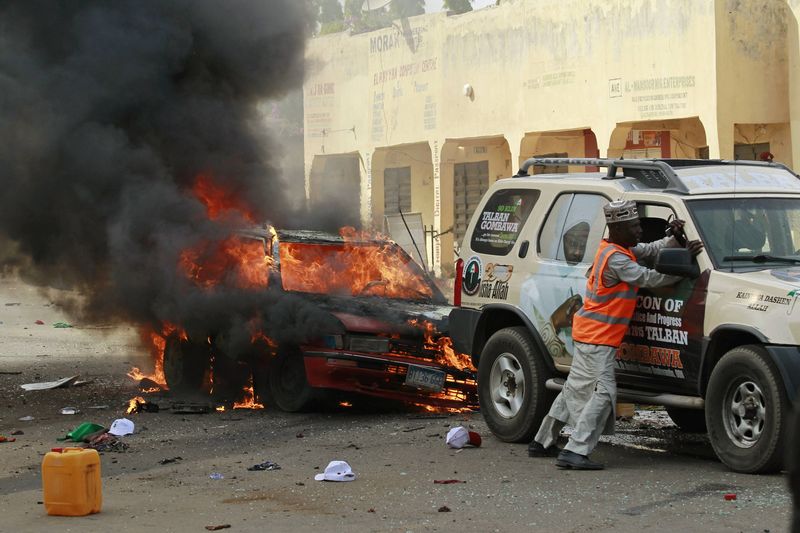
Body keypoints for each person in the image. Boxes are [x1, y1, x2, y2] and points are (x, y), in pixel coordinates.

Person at [527, 200, 704, 469]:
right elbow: (648, 278)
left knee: (574, 391)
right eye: (634, 227)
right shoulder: (617, 258)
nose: (639, 231)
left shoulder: (618, 248)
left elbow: (652, 249)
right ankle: (576, 450)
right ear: (617, 228)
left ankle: (542, 442)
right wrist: (687, 266)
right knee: (604, 394)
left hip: (590, 334)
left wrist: (673, 238)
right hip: (598, 338)